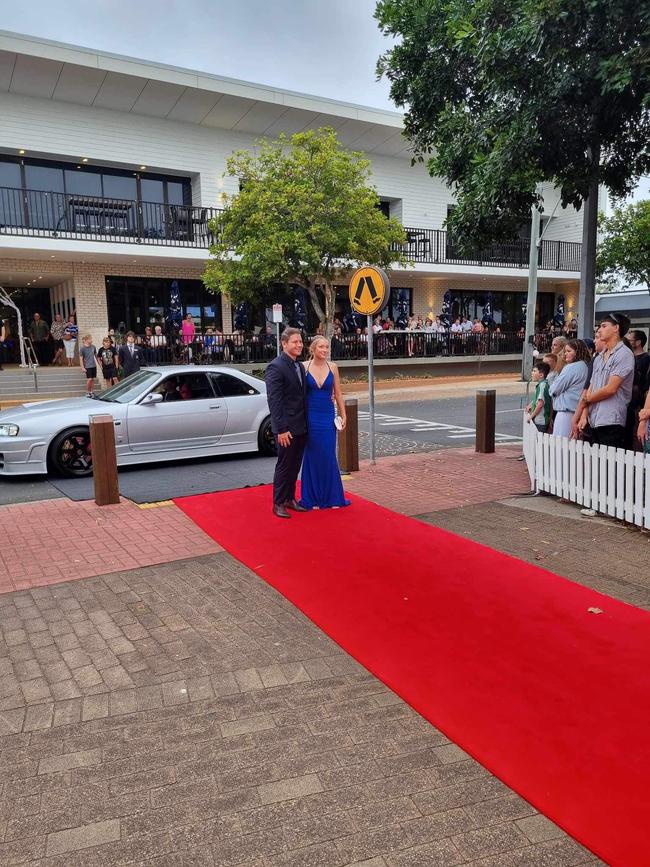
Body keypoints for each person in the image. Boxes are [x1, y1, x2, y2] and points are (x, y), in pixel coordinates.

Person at [299, 336, 350, 510]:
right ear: (313, 348)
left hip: (327, 416)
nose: (325, 350)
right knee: (312, 456)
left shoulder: (333, 367)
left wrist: (344, 415)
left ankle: (332, 497)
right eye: (321, 347)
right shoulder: (303, 367)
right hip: (310, 417)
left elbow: (338, 393)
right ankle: (311, 497)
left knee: (328, 456)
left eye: (327, 347)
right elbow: (298, 394)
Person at [265, 327, 308, 519]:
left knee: (295, 465)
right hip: (286, 428)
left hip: (301, 426)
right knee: (284, 465)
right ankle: (278, 503)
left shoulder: (299, 366)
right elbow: (275, 401)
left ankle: (290, 498)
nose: (299, 345)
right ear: (284, 344)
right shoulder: (276, 366)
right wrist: (281, 429)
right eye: (295, 342)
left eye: (300, 342)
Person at [577, 312, 634, 449]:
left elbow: (610, 389)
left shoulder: (624, 354)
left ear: (616, 328)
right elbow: (591, 386)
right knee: (596, 466)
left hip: (611, 420)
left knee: (609, 467)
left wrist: (586, 401)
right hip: (594, 419)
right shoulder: (599, 357)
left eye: (604, 326)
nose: (599, 330)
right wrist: (584, 415)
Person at [549, 339, 590, 437]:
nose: (565, 354)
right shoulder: (586, 367)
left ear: (577, 352)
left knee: (560, 446)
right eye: (565, 351)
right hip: (577, 411)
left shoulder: (571, 367)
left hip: (565, 412)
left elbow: (554, 389)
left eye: (569, 351)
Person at [625, 330, 650, 449]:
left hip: (639, 405)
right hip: (629, 404)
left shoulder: (646, 359)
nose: (627, 342)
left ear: (638, 342)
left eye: (630, 340)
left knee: (637, 439)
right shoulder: (627, 357)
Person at [526, 361, 552, 432]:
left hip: (540, 420)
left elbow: (540, 404)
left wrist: (531, 417)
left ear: (541, 375)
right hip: (541, 420)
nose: (532, 373)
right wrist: (531, 404)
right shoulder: (543, 384)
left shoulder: (542, 385)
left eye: (534, 371)